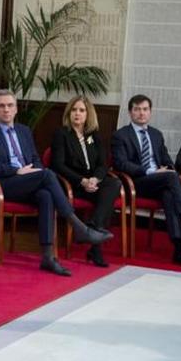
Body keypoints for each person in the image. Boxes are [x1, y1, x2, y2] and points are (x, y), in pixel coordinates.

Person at [0, 89, 112, 277]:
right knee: (47, 175)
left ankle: (48, 257)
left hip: (28, 180)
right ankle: (79, 227)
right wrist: (16, 170)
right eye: (1, 106)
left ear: (16, 109)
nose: (6, 110)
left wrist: (35, 170)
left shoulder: (24, 131)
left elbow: (36, 159)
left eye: (10, 105)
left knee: (46, 195)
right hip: (3, 184)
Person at [111, 94, 181, 269]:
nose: (141, 113)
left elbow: (168, 162)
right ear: (130, 113)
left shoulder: (156, 135)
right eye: (137, 109)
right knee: (171, 177)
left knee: (169, 193)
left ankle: (179, 250)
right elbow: (121, 164)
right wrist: (151, 171)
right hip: (137, 182)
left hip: (160, 182)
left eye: (145, 109)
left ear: (150, 112)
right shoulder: (120, 136)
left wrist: (167, 170)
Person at [50, 96, 122, 267]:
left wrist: (95, 179)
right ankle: (95, 247)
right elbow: (57, 165)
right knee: (107, 200)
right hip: (73, 184)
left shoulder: (93, 135)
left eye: (82, 110)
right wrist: (82, 181)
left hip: (93, 183)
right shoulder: (62, 134)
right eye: (74, 110)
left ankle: (92, 227)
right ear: (69, 113)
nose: (77, 114)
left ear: (88, 114)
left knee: (114, 184)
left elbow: (103, 164)